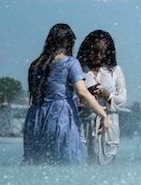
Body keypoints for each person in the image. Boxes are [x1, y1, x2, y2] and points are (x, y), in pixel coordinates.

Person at [23, 23, 110, 165]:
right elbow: (82, 92)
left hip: (35, 118)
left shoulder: (36, 64)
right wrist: (103, 114)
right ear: (69, 43)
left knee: (36, 164)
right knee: (67, 165)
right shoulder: (70, 63)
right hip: (60, 116)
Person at [76, 30, 127, 165]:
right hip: (84, 119)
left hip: (109, 120)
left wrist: (107, 95)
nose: (98, 56)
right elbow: (70, 96)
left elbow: (122, 100)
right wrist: (86, 95)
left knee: (108, 160)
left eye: (102, 52)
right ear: (87, 49)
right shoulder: (80, 69)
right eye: (94, 51)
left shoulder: (115, 70)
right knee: (83, 160)